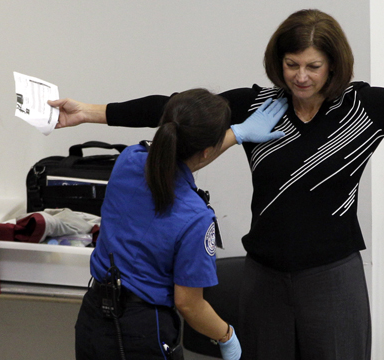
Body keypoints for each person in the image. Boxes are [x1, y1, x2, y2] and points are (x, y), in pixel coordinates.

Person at [50, 9, 384, 360]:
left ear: (333, 64)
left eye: (312, 65)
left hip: (333, 277)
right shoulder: (257, 105)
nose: (301, 77)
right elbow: (171, 110)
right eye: (291, 64)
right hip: (264, 276)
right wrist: (90, 112)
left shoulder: (365, 107)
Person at [73, 88, 287, 360]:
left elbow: (175, 158)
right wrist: (226, 336)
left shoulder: (129, 160)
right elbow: (188, 304)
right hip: (141, 333)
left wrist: (237, 135)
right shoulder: (195, 217)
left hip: (93, 318)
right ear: (207, 151)